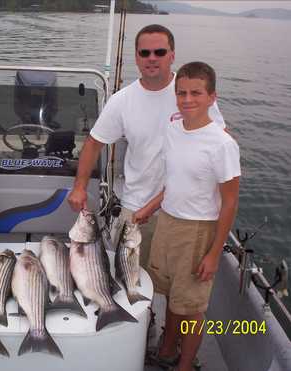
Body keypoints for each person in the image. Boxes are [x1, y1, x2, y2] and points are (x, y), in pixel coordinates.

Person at [67, 24, 225, 269]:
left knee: (179, 291)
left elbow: (219, 143)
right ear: (137, 58)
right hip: (138, 207)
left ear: (172, 55)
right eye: (145, 53)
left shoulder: (190, 96)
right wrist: (79, 187)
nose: (152, 58)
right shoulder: (122, 100)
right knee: (133, 279)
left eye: (160, 52)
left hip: (187, 210)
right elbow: (93, 143)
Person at [134, 61, 240, 371]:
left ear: (212, 97)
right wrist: (149, 208)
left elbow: (230, 203)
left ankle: (184, 364)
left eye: (196, 93)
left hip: (198, 232)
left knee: (191, 307)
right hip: (167, 222)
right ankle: (167, 350)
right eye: (181, 93)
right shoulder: (172, 129)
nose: (187, 99)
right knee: (171, 295)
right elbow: (172, 182)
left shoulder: (222, 144)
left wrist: (214, 254)